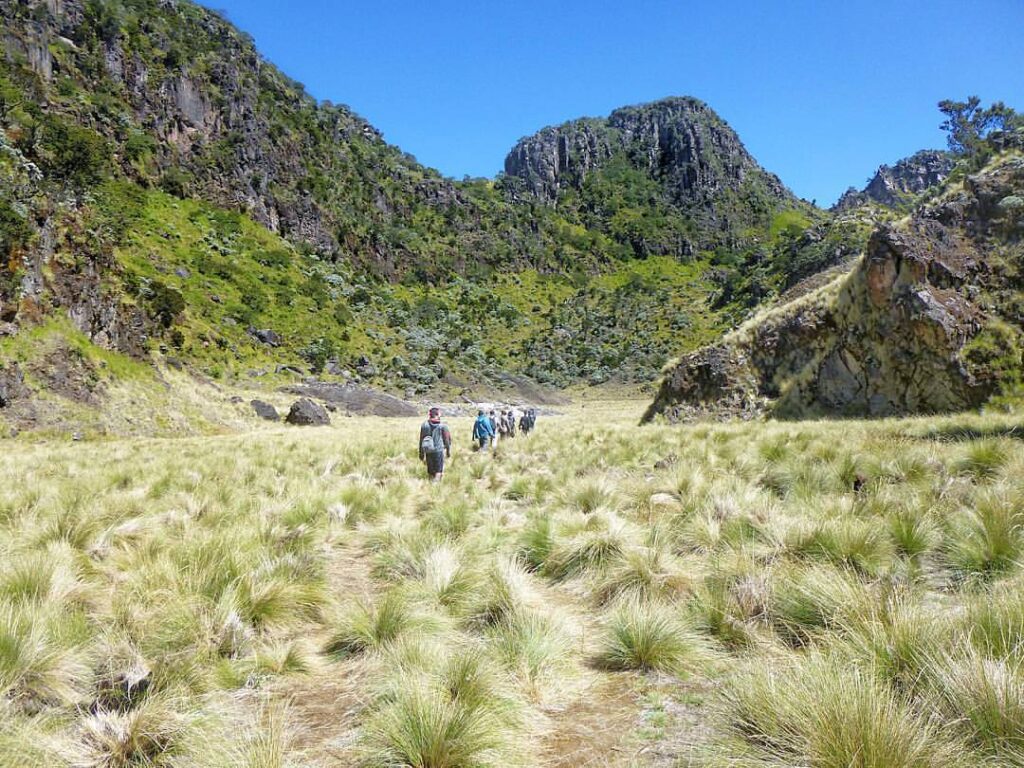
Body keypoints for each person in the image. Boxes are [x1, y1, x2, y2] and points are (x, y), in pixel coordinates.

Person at [419, 407, 451, 482]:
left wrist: (421, 453)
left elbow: (421, 440)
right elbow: (446, 440)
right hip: (438, 451)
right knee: (438, 472)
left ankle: (430, 486)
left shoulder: (424, 425)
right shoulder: (443, 426)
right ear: (437, 414)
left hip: (428, 451)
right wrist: (448, 451)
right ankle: (435, 486)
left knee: (431, 472)